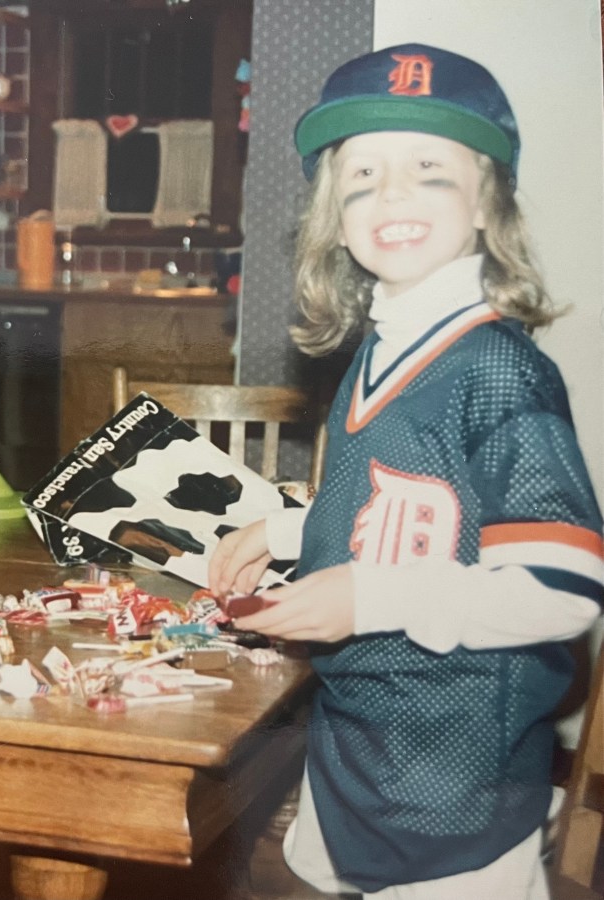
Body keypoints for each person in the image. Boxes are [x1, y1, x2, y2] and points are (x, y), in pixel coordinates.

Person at [208, 43, 603, 899]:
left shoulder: (499, 371)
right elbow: (392, 504)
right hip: (358, 745)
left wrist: (369, 597)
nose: (388, 192)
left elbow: (562, 586)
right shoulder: (378, 351)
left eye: (427, 167)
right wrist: (280, 529)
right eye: (360, 174)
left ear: (487, 201)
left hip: (455, 774)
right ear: (331, 215)